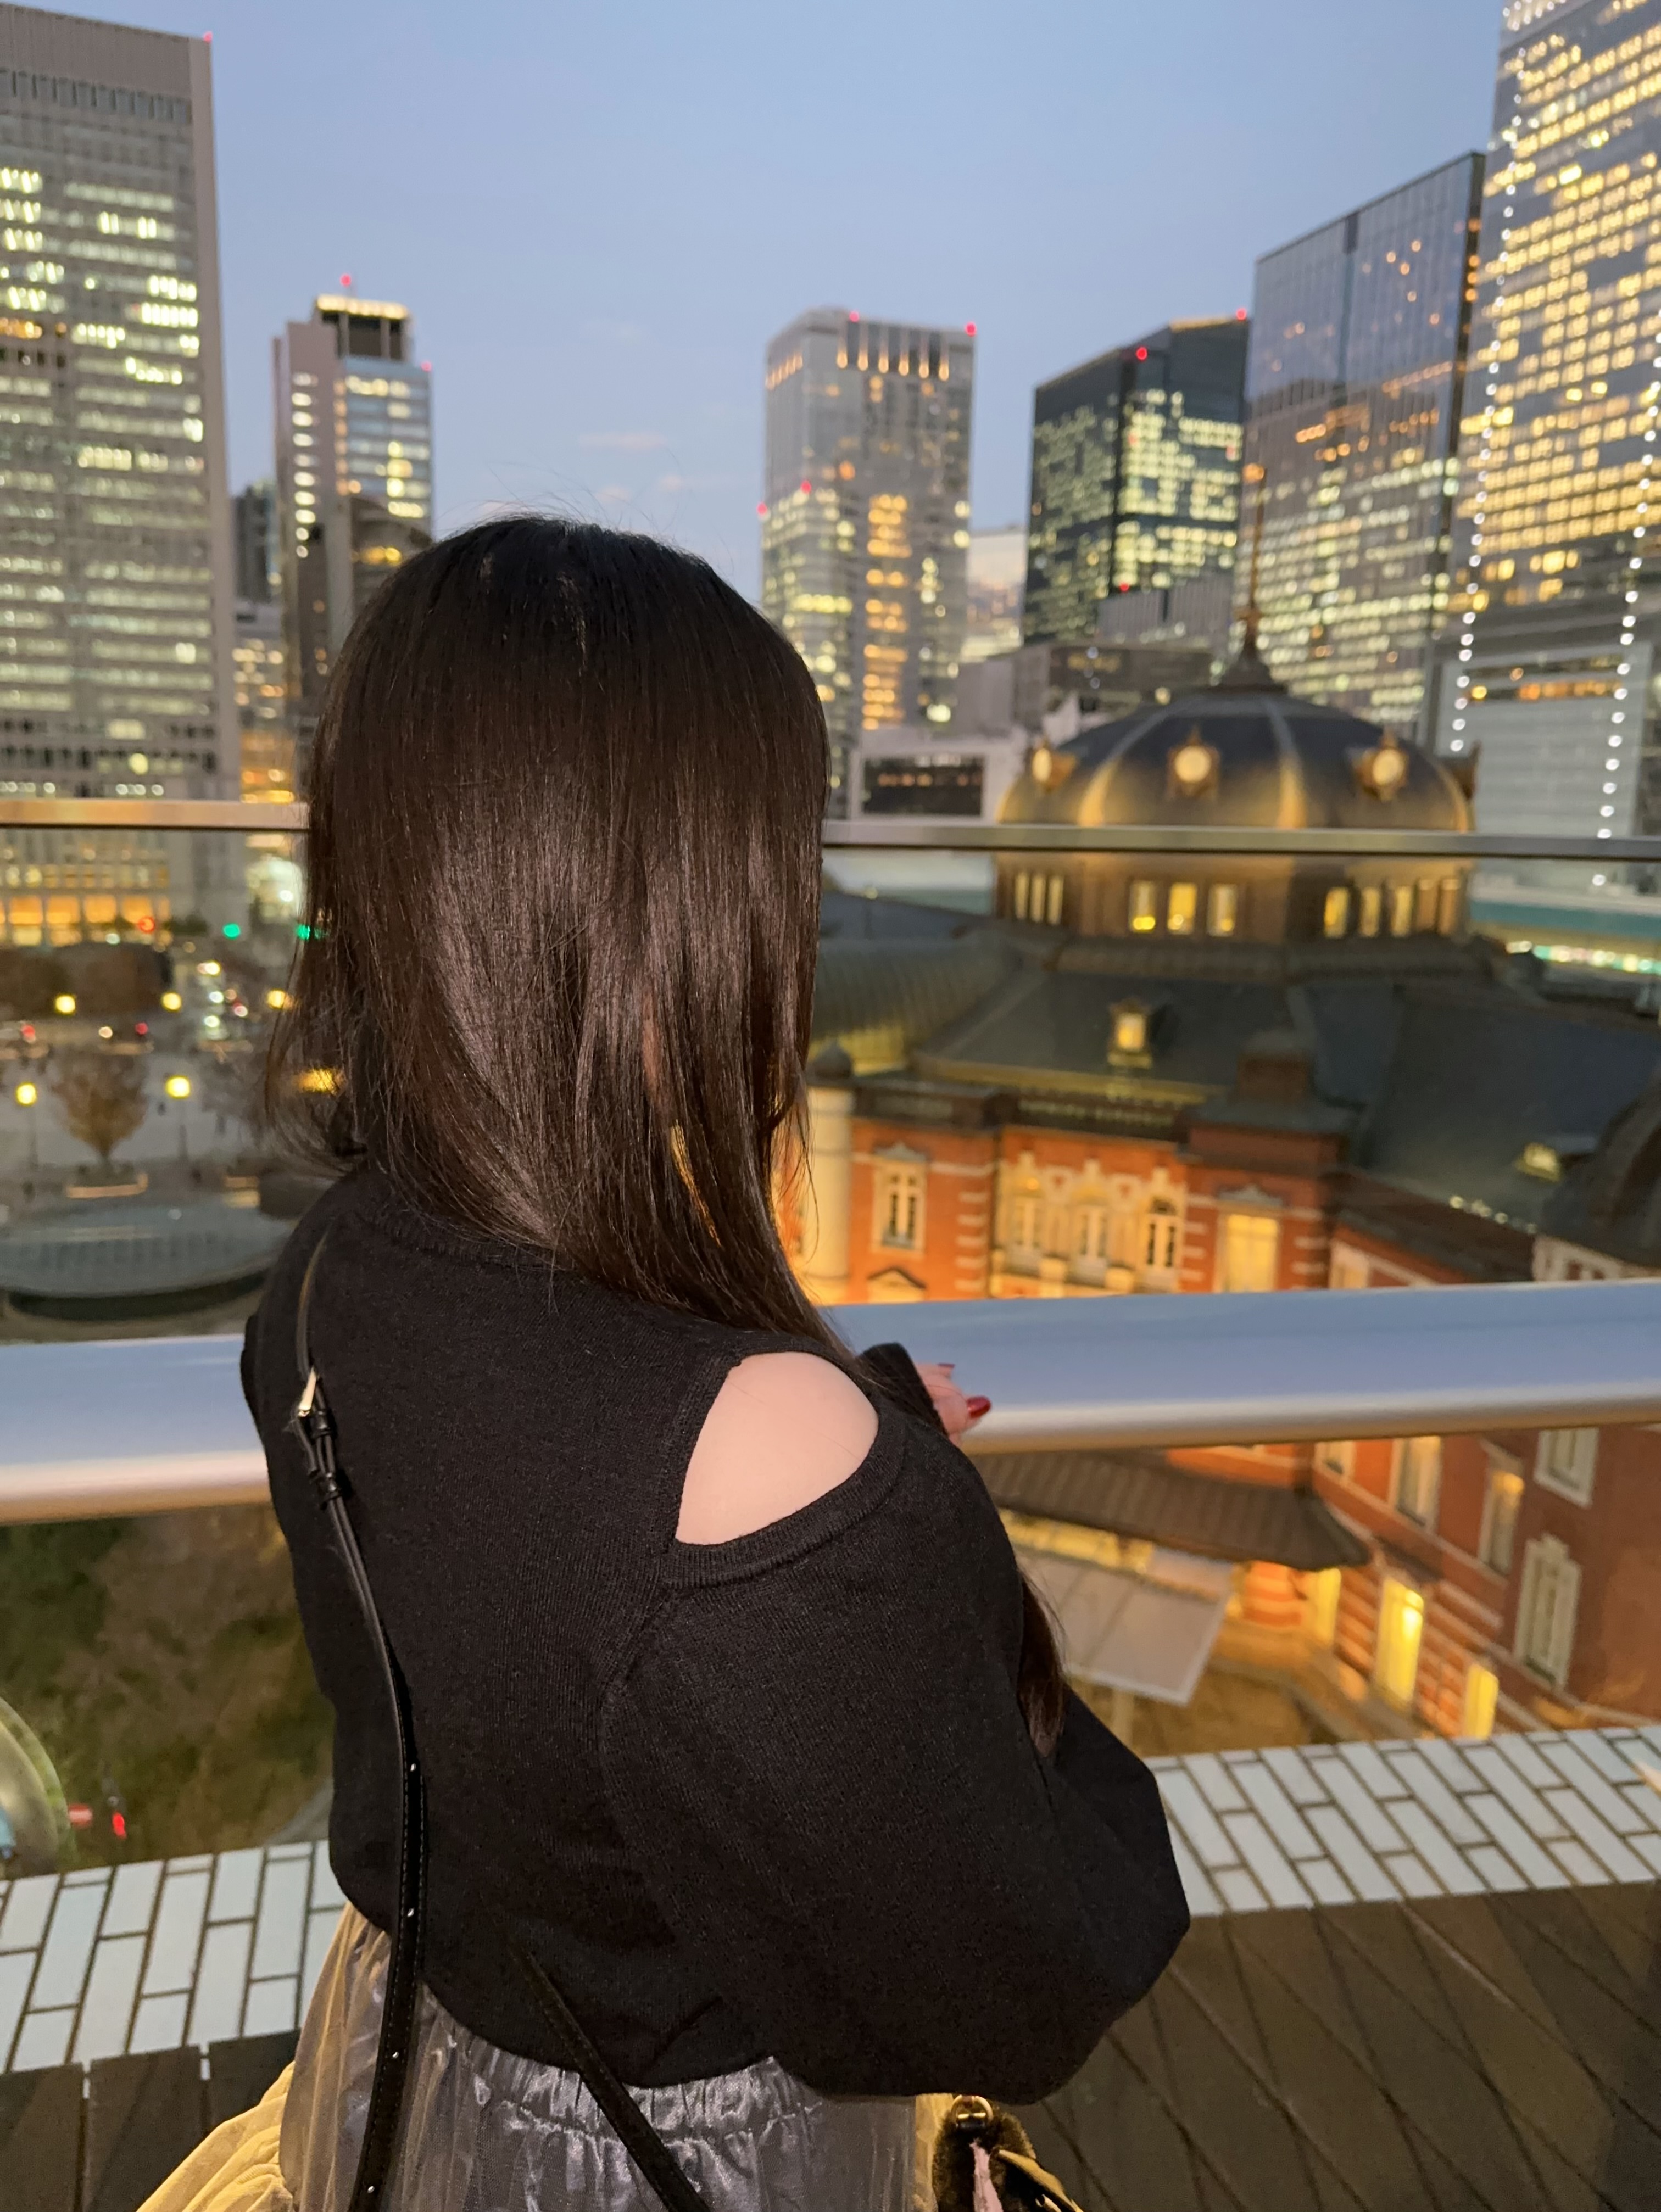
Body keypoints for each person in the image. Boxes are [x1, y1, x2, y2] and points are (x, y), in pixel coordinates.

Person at [160, 518, 1188, 2212]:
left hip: (404, 2080)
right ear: (681, 910)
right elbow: (1018, 1977)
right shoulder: (748, 1449)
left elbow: (534, 1597)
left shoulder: (330, 1272)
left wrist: (833, 1473)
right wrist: (893, 1521)